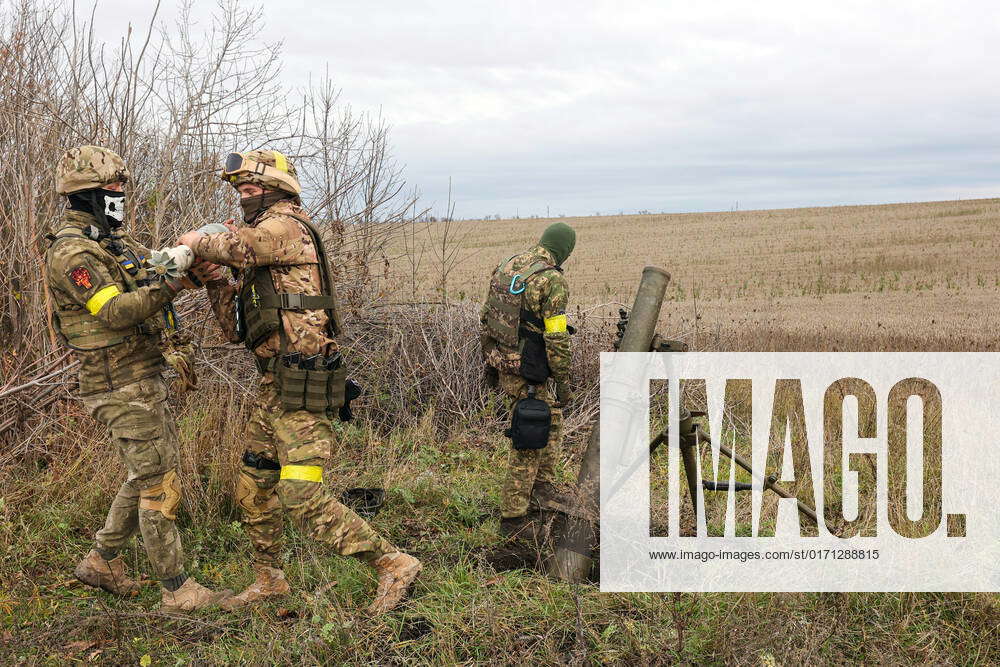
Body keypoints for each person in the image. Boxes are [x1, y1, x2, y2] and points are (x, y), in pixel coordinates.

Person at [177, 149, 421, 614]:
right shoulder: (261, 249)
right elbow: (235, 331)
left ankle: (393, 563)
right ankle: (270, 581)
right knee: (253, 482)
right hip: (273, 384)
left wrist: (194, 241)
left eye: (251, 190)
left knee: (300, 492)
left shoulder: (286, 227)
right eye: (240, 192)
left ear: (276, 191)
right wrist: (213, 282)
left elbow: (242, 246)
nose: (244, 198)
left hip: (304, 382)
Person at [46, 145, 231, 611]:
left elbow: (152, 266)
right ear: (85, 195)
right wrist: (175, 284)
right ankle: (177, 591)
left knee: (146, 470)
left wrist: (192, 255)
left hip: (141, 377)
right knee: (158, 482)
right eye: (112, 190)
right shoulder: (73, 253)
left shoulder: (114, 243)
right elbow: (113, 311)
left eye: (122, 188)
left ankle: (102, 560)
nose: (120, 196)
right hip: (117, 382)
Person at [480, 222, 576, 537]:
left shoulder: (507, 266)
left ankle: (542, 490)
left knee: (553, 420)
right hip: (529, 369)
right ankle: (513, 518)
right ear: (564, 250)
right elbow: (557, 336)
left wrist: (493, 363)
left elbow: (487, 317)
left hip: (503, 359)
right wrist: (562, 379)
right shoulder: (552, 280)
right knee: (530, 436)